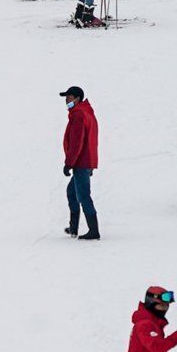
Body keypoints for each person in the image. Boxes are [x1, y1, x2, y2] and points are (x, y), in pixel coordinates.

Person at [61, 85, 100, 239]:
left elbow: (77, 142)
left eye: (68, 97)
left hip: (81, 162)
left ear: (77, 98)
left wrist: (69, 163)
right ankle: (73, 227)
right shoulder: (86, 112)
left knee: (83, 195)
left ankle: (93, 230)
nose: (66, 100)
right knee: (72, 192)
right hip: (85, 160)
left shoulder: (79, 115)